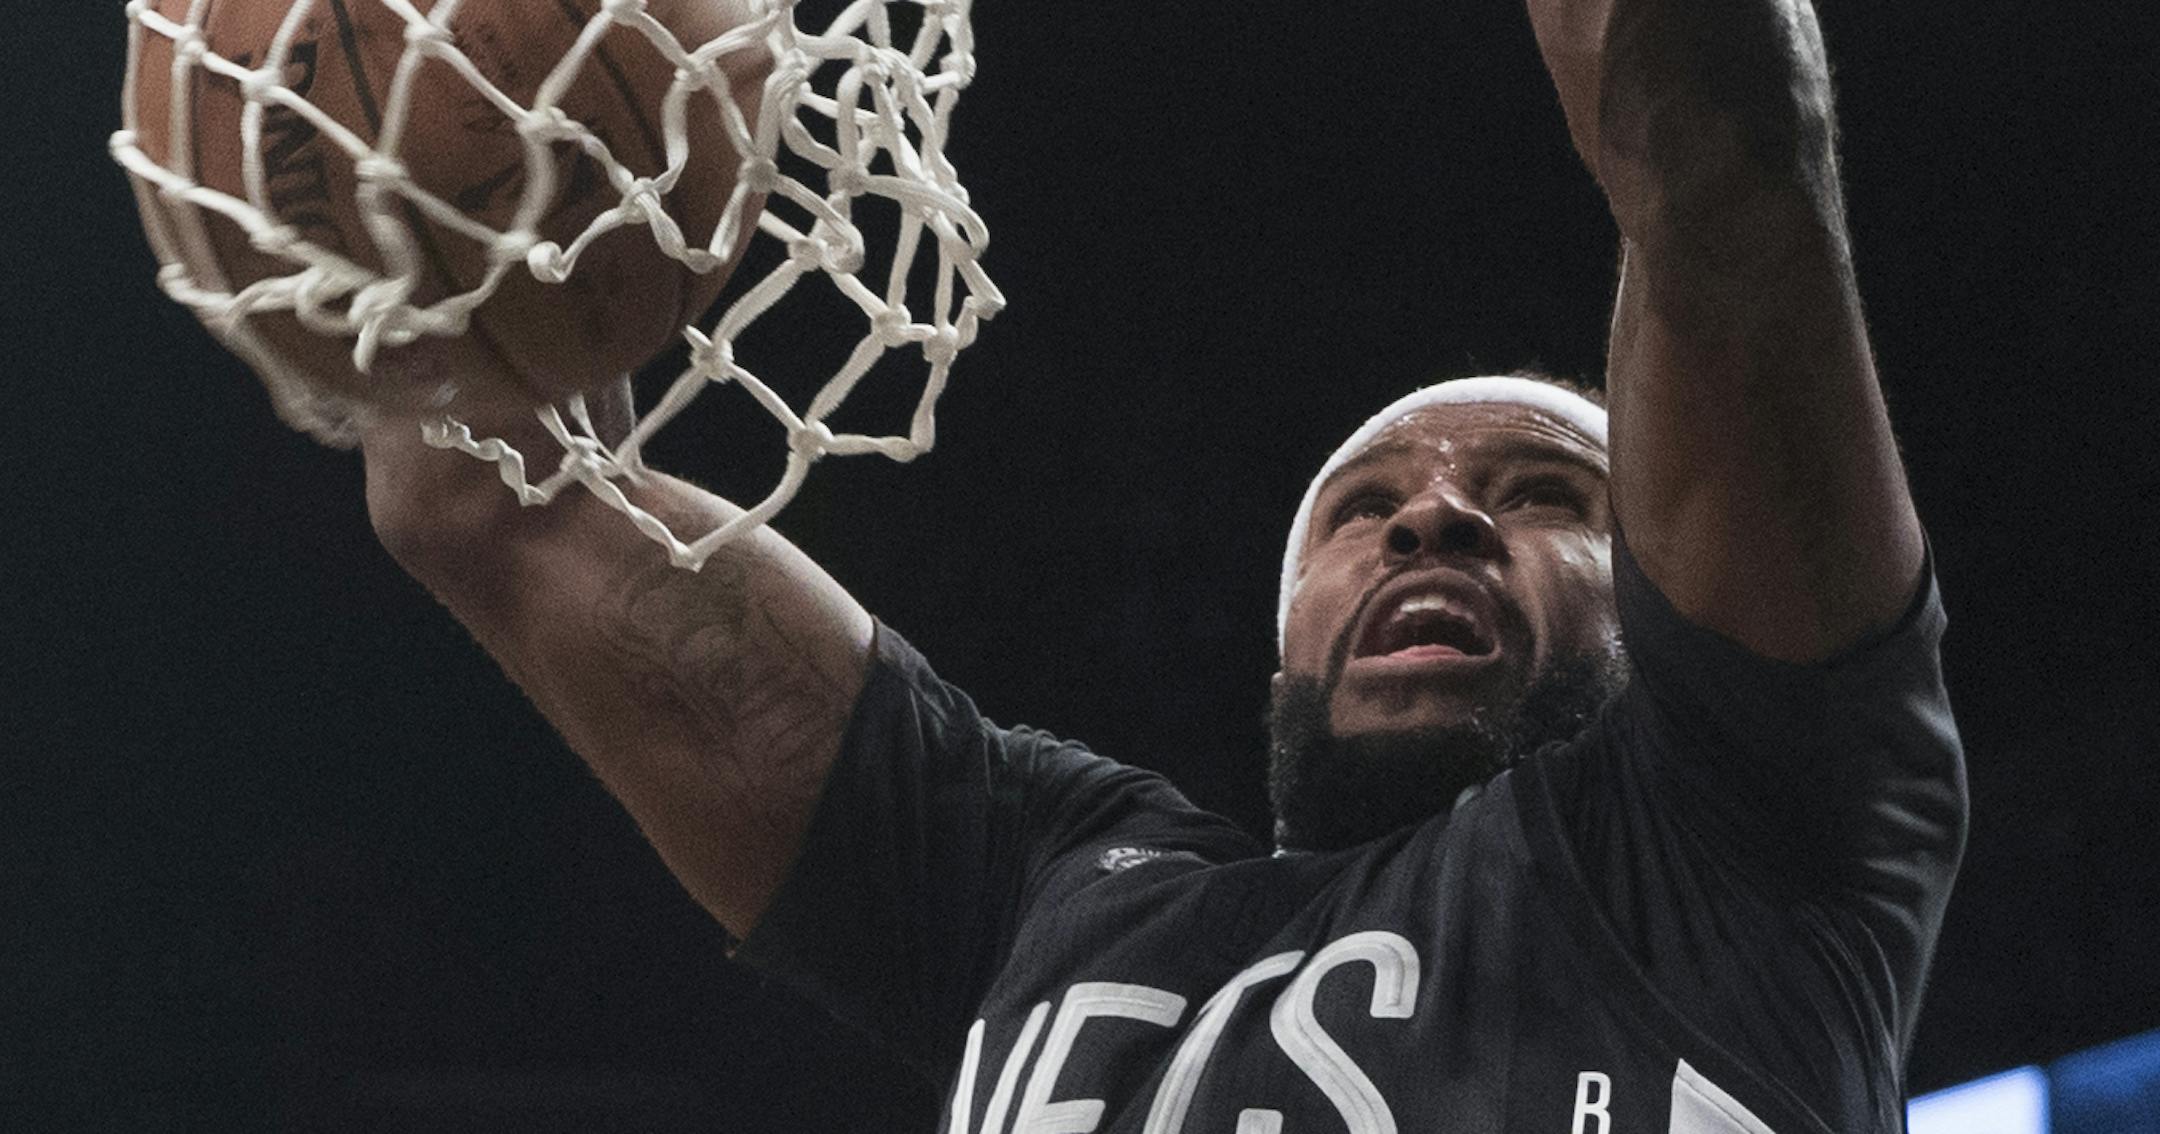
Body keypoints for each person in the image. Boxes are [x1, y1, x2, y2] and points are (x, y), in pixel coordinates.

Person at [354, 0, 1966, 1128]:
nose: (1435, 515)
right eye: (1362, 506)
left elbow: (1718, 157)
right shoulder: (1042, 886)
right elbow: (493, 502)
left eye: (1544, 491)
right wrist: (459, 137)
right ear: (1285, 642)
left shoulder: (1768, 822)